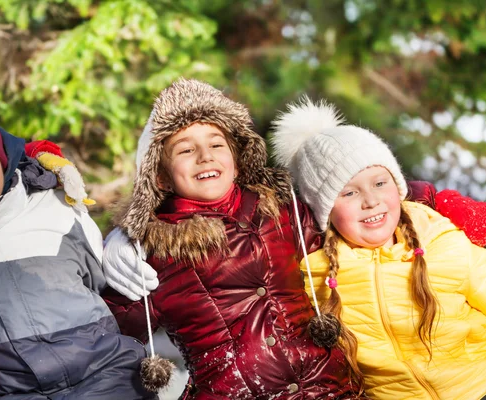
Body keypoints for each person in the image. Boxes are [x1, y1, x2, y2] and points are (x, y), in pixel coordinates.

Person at [269, 97, 486, 400]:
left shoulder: (441, 242)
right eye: (349, 192)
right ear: (325, 209)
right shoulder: (315, 279)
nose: (371, 200)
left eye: (380, 183)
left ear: (398, 187)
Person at [101, 78, 373, 399]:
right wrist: (104, 249)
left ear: (239, 153)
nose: (205, 156)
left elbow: (358, 216)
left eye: (216, 144)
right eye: (186, 149)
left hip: (328, 388)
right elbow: (102, 333)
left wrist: (426, 198)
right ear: (160, 174)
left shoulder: (284, 211)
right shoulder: (153, 254)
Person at [0, 90, 156, 400]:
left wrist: (124, 240)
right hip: (4, 392)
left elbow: (105, 281)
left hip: (105, 376)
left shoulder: (54, 207)